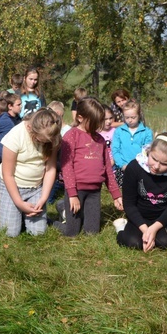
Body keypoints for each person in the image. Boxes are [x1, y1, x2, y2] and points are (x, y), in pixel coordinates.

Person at [54, 98, 122, 237]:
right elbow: (67, 167)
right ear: (80, 118)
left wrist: (116, 195)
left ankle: (73, 211)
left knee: (91, 233)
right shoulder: (71, 135)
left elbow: (107, 169)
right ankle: (55, 216)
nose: (98, 125)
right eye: (95, 121)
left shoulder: (100, 140)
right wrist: (72, 194)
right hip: (76, 190)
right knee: (71, 232)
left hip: (94, 192)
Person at [117, 133, 167, 251]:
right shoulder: (134, 167)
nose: (156, 166)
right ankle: (121, 228)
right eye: (154, 158)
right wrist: (145, 230)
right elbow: (129, 204)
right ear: (149, 151)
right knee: (133, 243)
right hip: (141, 216)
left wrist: (154, 229)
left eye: (165, 164)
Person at [0, 108, 61, 237]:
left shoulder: (53, 137)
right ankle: (8, 209)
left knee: (38, 233)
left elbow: (50, 169)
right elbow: (7, 174)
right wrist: (20, 203)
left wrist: (43, 198)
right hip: (12, 185)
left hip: (36, 187)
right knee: (10, 233)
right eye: (41, 140)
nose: (43, 144)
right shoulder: (15, 136)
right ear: (31, 129)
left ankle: (21, 214)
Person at [112, 100, 152, 186]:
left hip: (140, 168)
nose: (130, 120)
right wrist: (122, 165)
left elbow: (147, 151)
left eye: (133, 117)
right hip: (122, 168)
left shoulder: (147, 132)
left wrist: (140, 165)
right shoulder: (119, 131)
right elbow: (115, 150)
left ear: (139, 115)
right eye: (127, 117)